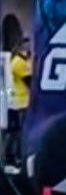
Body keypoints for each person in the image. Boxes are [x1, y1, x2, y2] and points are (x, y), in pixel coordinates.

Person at [4, 38, 32, 167]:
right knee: (16, 132)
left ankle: (13, 158)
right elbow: (29, 81)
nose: (29, 48)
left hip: (19, 102)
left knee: (15, 132)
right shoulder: (18, 62)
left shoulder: (23, 60)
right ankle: (13, 158)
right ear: (22, 47)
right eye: (27, 46)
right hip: (18, 103)